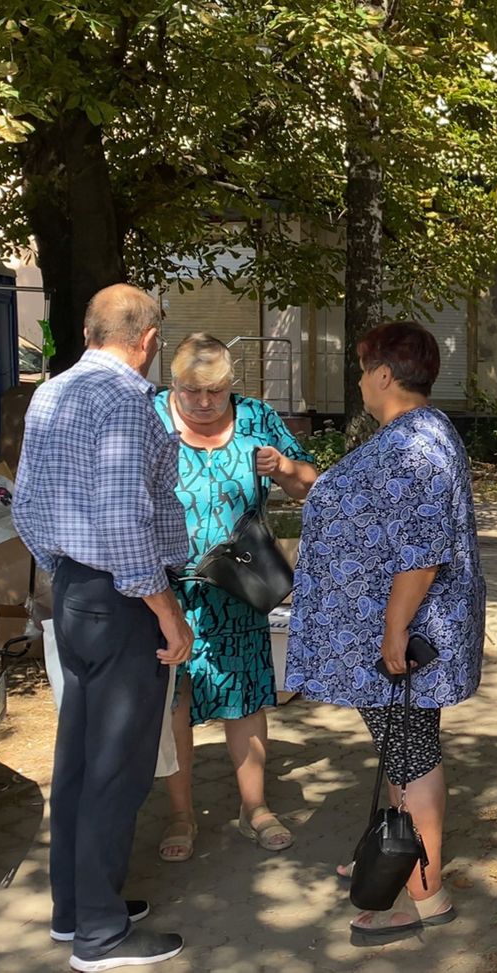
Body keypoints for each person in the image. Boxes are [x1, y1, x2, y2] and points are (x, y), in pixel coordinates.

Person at [284, 320, 486, 946]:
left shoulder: (414, 445)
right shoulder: (412, 436)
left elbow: (420, 554)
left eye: (363, 368)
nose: (360, 382)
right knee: (404, 749)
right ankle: (397, 857)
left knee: (411, 754)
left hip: (403, 640)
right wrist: (307, 485)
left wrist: (395, 631)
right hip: (391, 637)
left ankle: (425, 897)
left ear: (384, 375)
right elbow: (375, 511)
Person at [13, 284, 195, 972]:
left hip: (77, 593)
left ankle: (77, 906)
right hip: (124, 602)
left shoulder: (50, 393)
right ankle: (99, 933)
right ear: (147, 339)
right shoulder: (123, 401)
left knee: (81, 760)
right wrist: (164, 611)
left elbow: (26, 506)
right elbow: (123, 522)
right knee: (116, 769)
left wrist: (67, 571)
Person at [150, 333, 319, 863]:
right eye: (191, 391)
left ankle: (255, 806)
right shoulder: (148, 415)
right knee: (175, 702)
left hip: (239, 587)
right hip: (167, 592)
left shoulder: (256, 418)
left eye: (216, 392)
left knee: (245, 697)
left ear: (232, 386)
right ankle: (181, 814)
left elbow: (312, 484)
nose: (203, 402)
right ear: (172, 383)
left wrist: (286, 469)